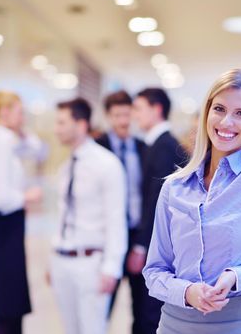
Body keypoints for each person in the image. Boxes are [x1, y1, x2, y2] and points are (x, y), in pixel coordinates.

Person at [142, 69, 241, 334]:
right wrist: (187, 292)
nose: (227, 122)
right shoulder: (174, 186)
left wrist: (238, 276)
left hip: (236, 324)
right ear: (206, 114)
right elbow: (154, 271)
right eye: (219, 109)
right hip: (172, 325)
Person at [50, 97, 128, 334]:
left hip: (91, 263)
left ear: (81, 124)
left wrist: (111, 267)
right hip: (62, 260)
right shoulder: (66, 167)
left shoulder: (107, 164)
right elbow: (63, 213)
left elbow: (116, 219)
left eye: (62, 123)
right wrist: (53, 256)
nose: (57, 129)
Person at [0, 90, 42, 334]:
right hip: (5, 228)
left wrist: (20, 131)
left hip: (4, 229)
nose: (23, 119)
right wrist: (27, 196)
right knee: (9, 312)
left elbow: (37, 149)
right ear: (4, 112)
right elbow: (1, 197)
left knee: (12, 309)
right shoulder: (1, 143)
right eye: (20, 112)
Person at [129, 87, 186, 333]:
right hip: (153, 244)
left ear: (157, 109)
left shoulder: (164, 146)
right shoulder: (154, 144)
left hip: (157, 248)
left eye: (138, 108)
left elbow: (156, 204)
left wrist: (142, 246)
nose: (134, 115)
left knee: (150, 314)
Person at [95, 90, 146, 320]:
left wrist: (142, 243)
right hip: (106, 236)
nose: (123, 121)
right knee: (101, 308)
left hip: (136, 234)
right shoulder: (96, 148)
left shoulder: (144, 148)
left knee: (143, 309)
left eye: (127, 115)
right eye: (117, 116)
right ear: (108, 116)